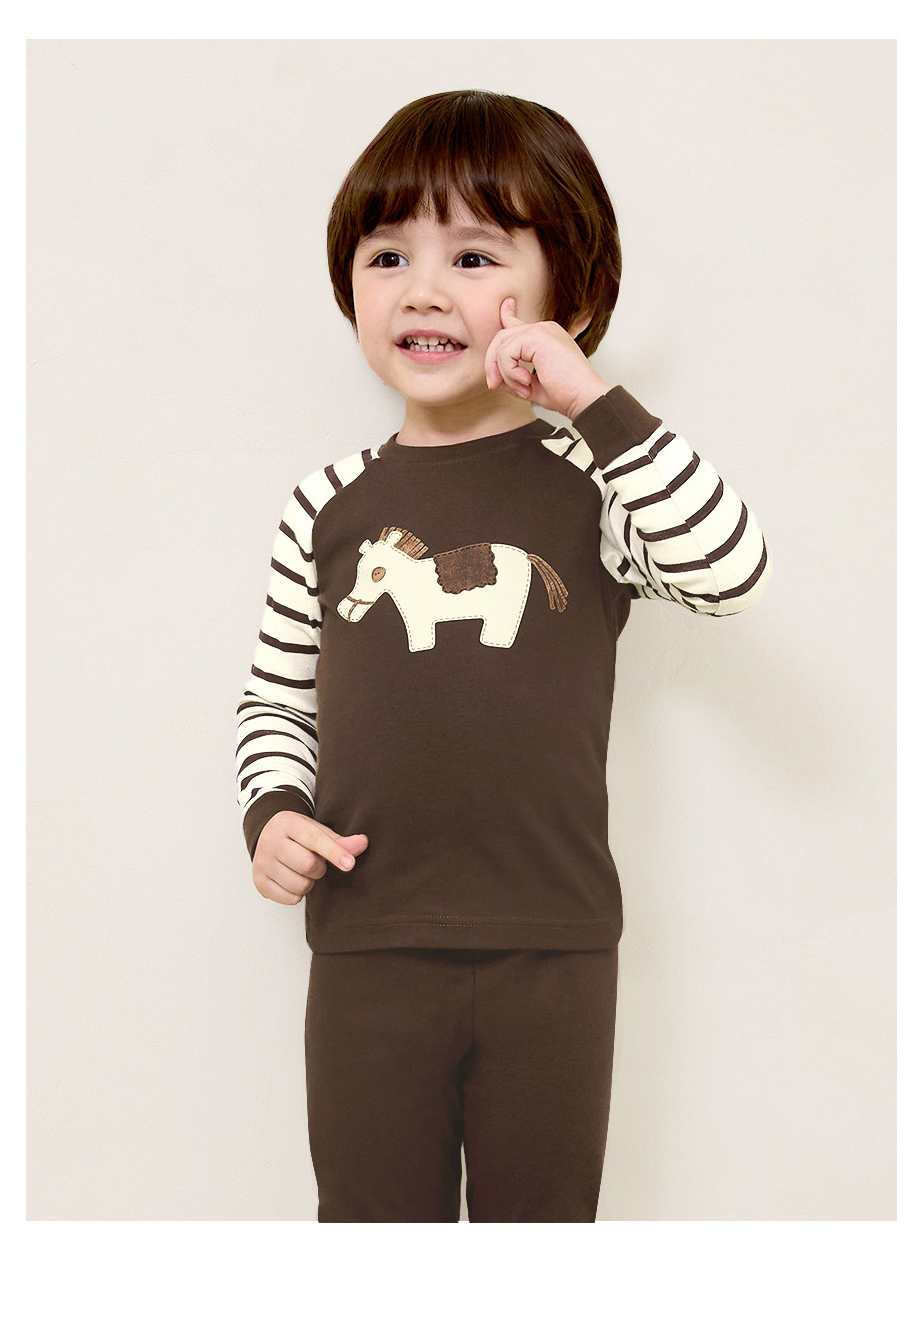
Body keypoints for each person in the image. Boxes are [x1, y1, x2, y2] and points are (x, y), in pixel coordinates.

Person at [234, 89, 771, 1223]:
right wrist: (272, 809)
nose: (423, 290)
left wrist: (592, 402)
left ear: (563, 297)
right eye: (388, 256)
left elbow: (728, 569)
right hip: (370, 939)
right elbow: (277, 700)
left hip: (553, 945)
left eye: (473, 257)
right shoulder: (326, 506)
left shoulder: (597, 490)